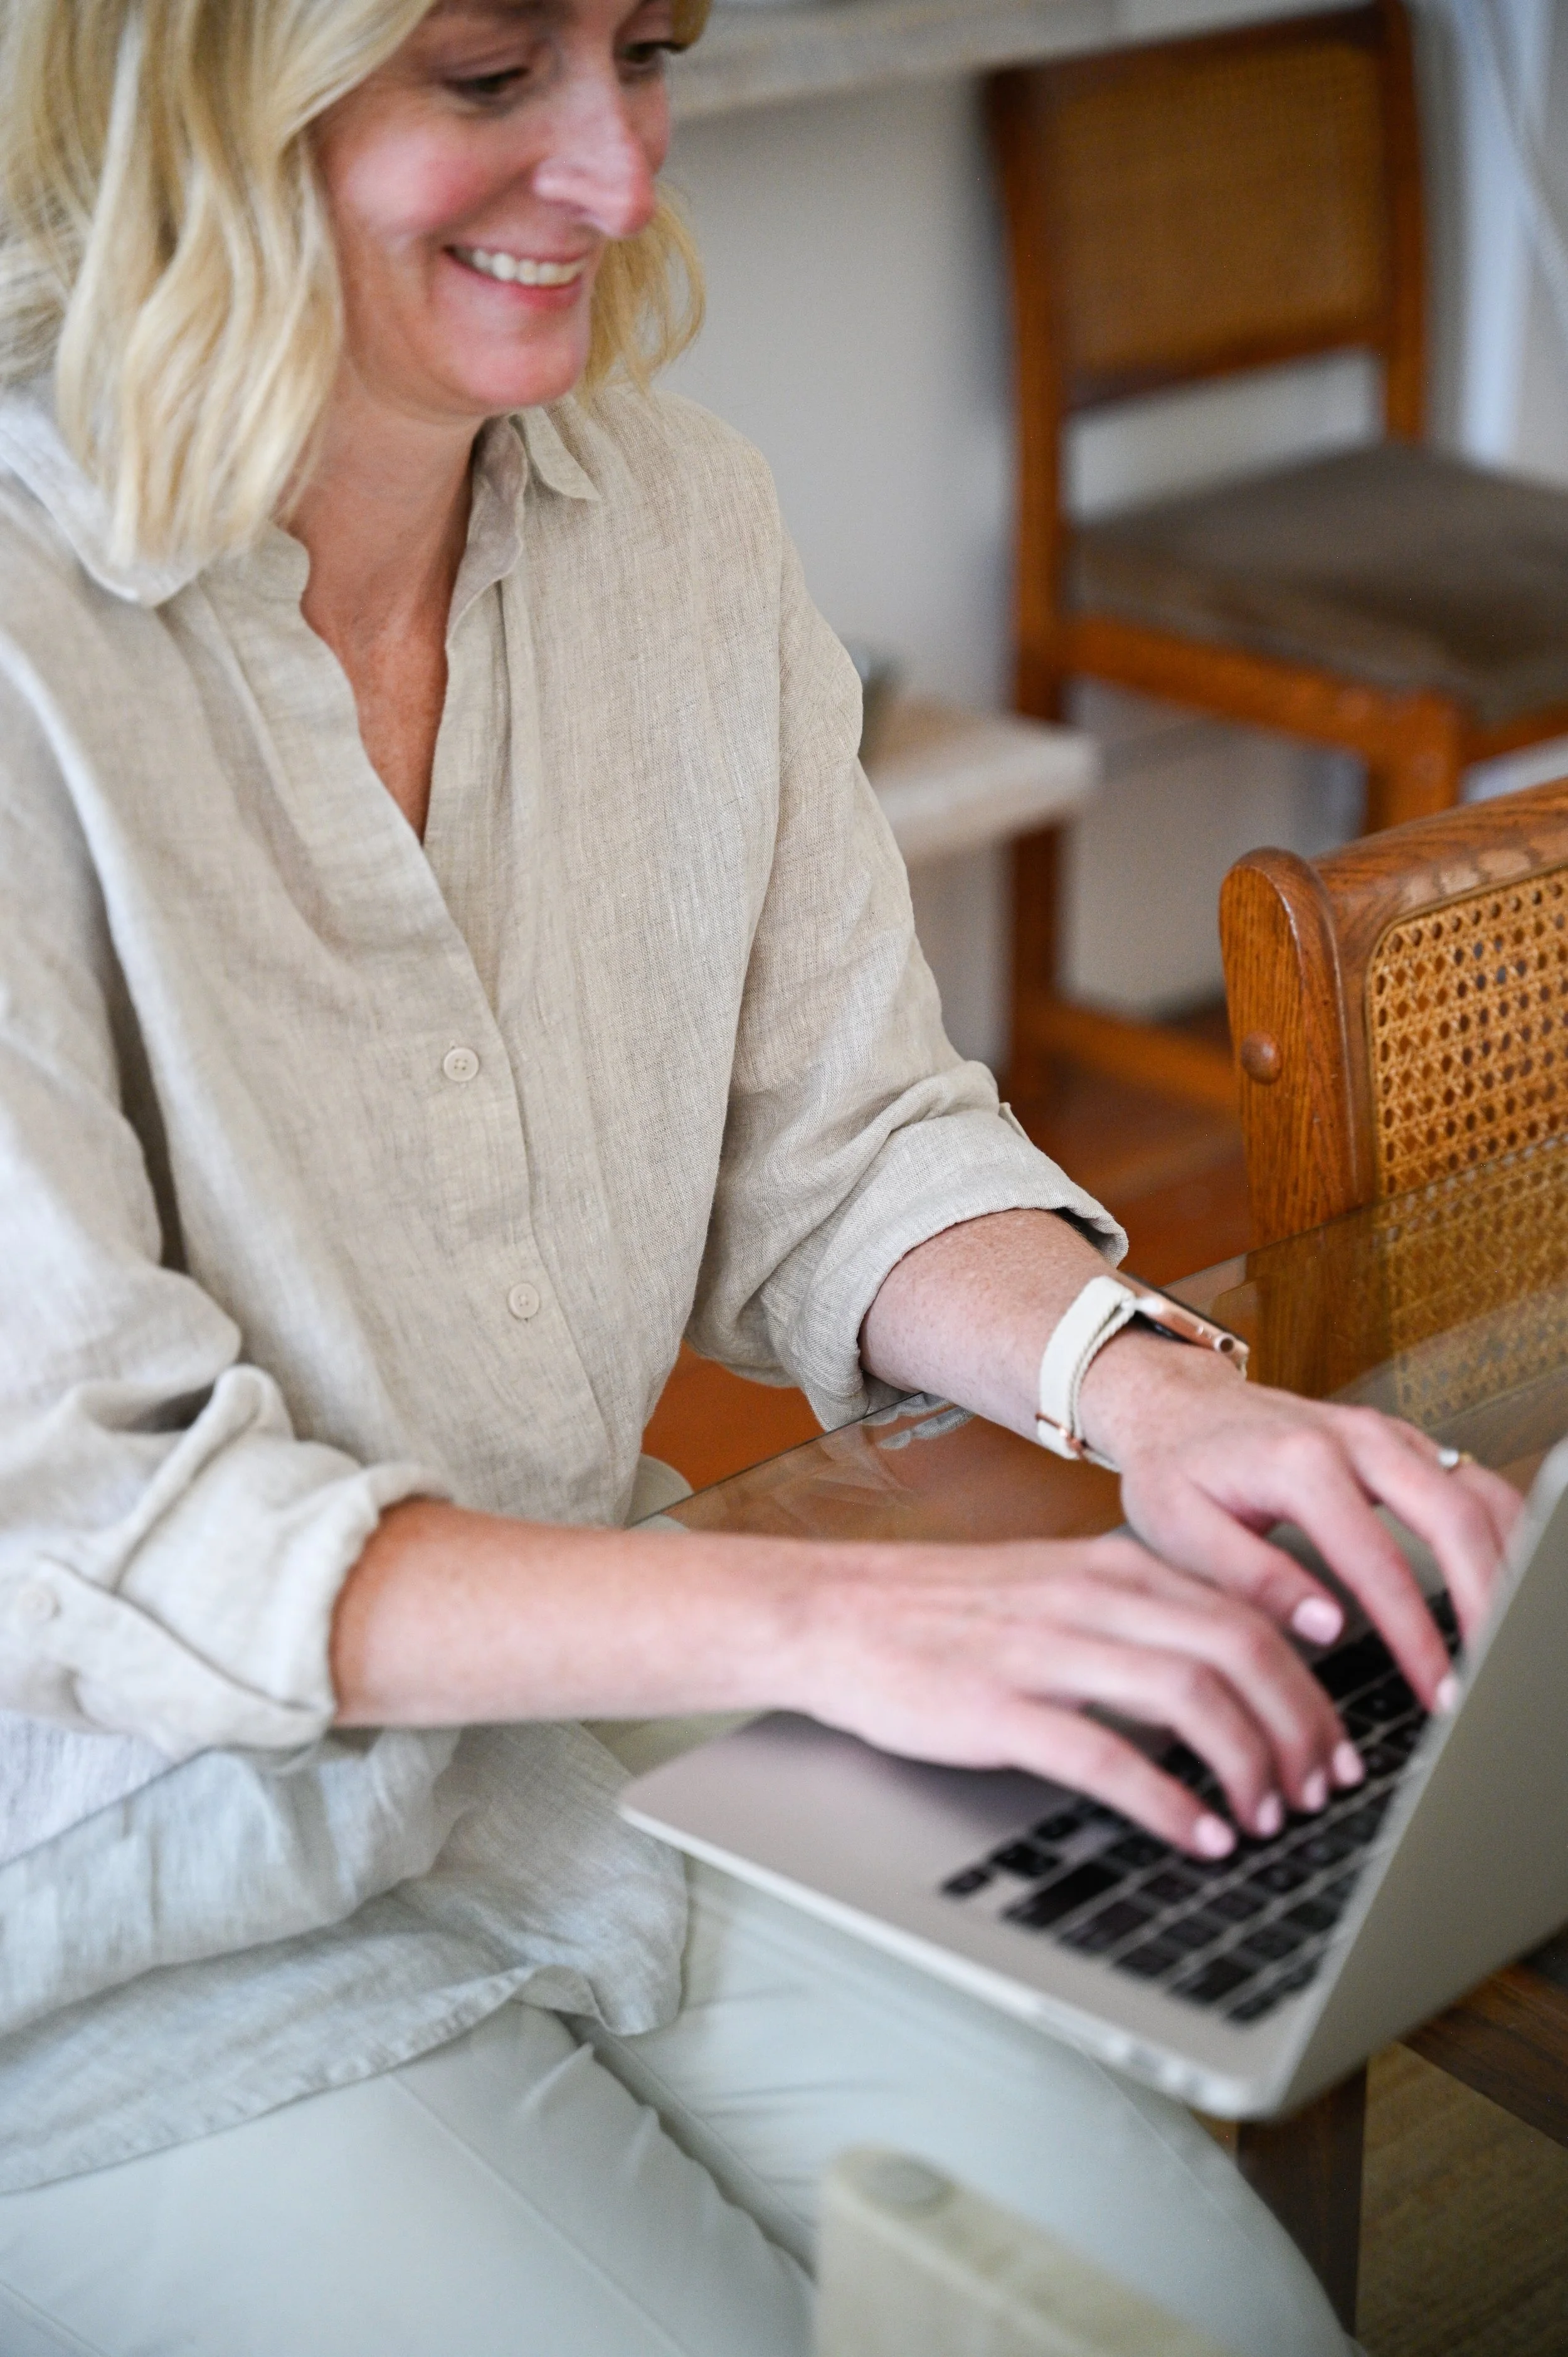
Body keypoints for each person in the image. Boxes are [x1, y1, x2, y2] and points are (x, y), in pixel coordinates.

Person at [0, 3, 1518, 2351]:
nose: (615, 173)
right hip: (121, 1913)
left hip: (578, 1762)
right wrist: (829, 1619)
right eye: (492, 79)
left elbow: (836, 1140)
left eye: (649, 47)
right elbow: (91, 1523)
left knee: (1204, 2323)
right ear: (188, 89)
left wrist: (1147, 1390)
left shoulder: (674, 523)